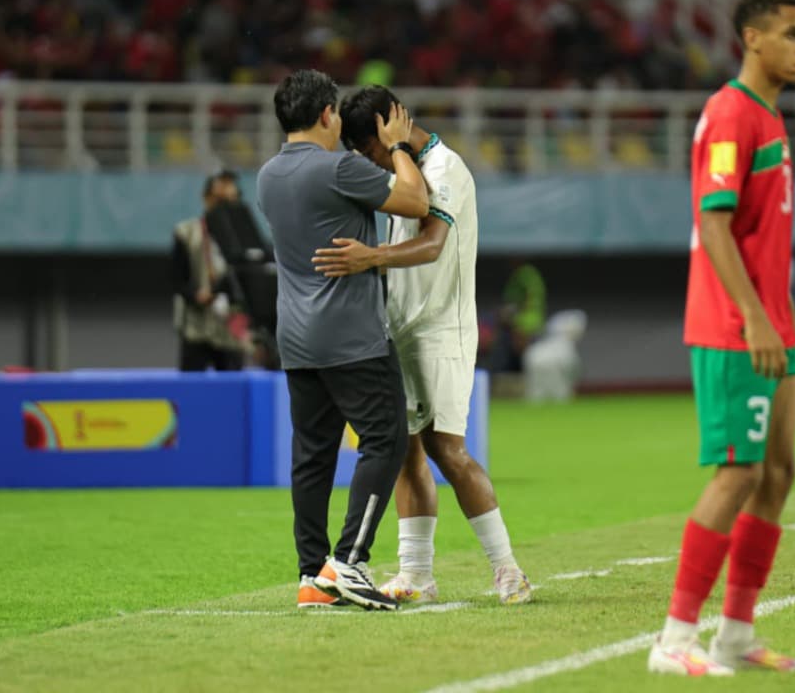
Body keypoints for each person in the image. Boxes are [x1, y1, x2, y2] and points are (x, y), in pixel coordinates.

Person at [648, 0, 795, 677]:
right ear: (752, 37)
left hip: (768, 324)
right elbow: (713, 225)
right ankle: (675, 641)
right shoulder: (732, 114)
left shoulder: (771, 117)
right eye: (792, 34)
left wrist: (788, 316)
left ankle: (736, 635)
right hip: (730, 327)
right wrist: (753, 317)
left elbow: (761, 237)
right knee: (737, 472)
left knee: (778, 472)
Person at [311, 85, 533, 605]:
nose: (368, 163)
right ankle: (417, 575)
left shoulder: (446, 169)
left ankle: (508, 570)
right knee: (406, 449)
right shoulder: (399, 172)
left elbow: (433, 244)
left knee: (446, 449)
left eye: (368, 150)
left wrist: (370, 259)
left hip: (442, 329)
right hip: (398, 328)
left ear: (390, 128)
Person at [256, 69, 429, 611]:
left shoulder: (265, 177)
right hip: (351, 336)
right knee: (387, 438)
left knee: (312, 456)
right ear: (328, 115)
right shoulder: (339, 169)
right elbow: (417, 202)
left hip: (297, 339)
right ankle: (349, 561)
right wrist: (399, 146)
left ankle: (312, 574)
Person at [171, 171, 250, 371]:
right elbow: (177, 278)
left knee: (233, 391)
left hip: (232, 325)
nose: (223, 206)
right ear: (206, 198)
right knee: (191, 389)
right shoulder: (186, 232)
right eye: (218, 199)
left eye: (230, 199)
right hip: (196, 326)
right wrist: (196, 296)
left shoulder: (244, 235)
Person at [490, 259, 547, 373]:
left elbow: (527, 299)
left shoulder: (525, 274)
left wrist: (514, 320)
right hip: (523, 325)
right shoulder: (522, 275)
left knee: (526, 361)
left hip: (527, 326)